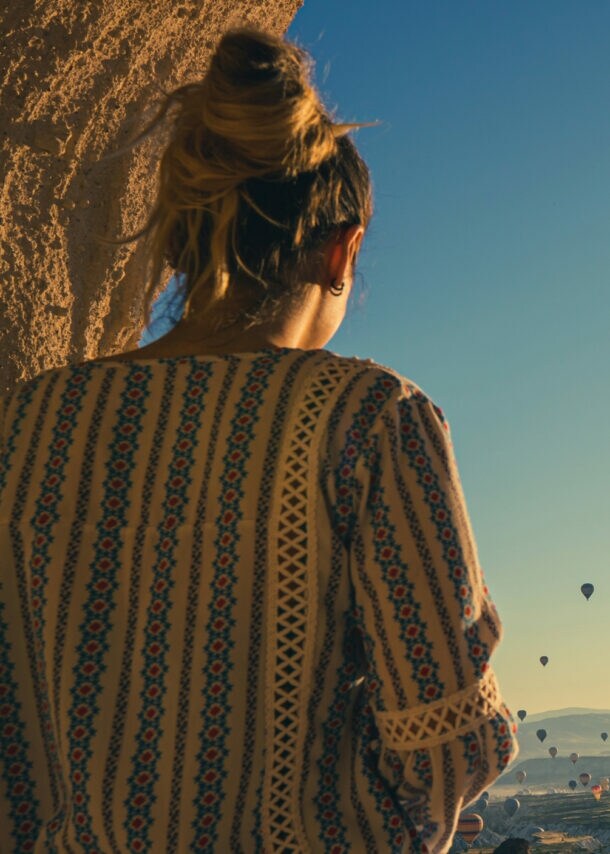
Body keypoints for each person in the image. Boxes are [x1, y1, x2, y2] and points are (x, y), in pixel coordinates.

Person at [0, 25, 518, 853]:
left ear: (182, 236)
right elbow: (447, 741)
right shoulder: (369, 417)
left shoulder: (28, 424)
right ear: (341, 248)